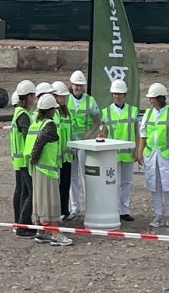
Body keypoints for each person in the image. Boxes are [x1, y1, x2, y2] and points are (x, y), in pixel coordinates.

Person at [135, 81, 169, 229]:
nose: (150, 101)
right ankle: (158, 215)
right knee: (154, 186)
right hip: (152, 155)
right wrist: (140, 152)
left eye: (152, 98)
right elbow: (143, 135)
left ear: (160, 98)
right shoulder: (148, 114)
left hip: (166, 155)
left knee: (168, 187)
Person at [27, 92, 73, 246]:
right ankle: (55, 234)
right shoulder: (49, 125)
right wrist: (35, 157)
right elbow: (38, 144)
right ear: (50, 110)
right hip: (47, 169)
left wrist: (33, 160)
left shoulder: (36, 123)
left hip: (37, 168)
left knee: (39, 202)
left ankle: (41, 232)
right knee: (50, 202)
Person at [64, 69, 101, 219]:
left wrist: (90, 133)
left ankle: (89, 207)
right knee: (72, 176)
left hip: (84, 143)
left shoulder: (90, 100)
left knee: (85, 175)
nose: (78, 88)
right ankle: (75, 208)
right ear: (71, 85)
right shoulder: (66, 100)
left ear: (84, 87)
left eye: (80, 85)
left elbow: (97, 120)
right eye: (76, 85)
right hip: (71, 142)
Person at [99, 78, 138, 222]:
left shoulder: (132, 111)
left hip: (128, 154)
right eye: (115, 94)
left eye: (120, 94)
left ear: (125, 95)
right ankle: (112, 209)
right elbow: (104, 132)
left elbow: (137, 132)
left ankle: (124, 210)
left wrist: (138, 151)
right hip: (112, 154)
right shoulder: (106, 112)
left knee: (126, 183)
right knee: (112, 183)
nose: (117, 96)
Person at [10, 80, 38, 237]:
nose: (34, 99)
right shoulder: (24, 116)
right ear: (27, 96)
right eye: (33, 96)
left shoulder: (18, 113)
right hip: (25, 160)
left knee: (22, 192)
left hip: (18, 160)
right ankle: (23, 225)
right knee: (31, 193)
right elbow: (29, 138)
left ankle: (22, 223)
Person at [50, 80, 73, 222]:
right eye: (62, 97)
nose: (64, 99)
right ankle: (57, 212)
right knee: (56, 187)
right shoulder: (53, 114)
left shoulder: (66, 113)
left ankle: (65, 210)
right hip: (55, 158)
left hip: (67, 157)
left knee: (65, 185)